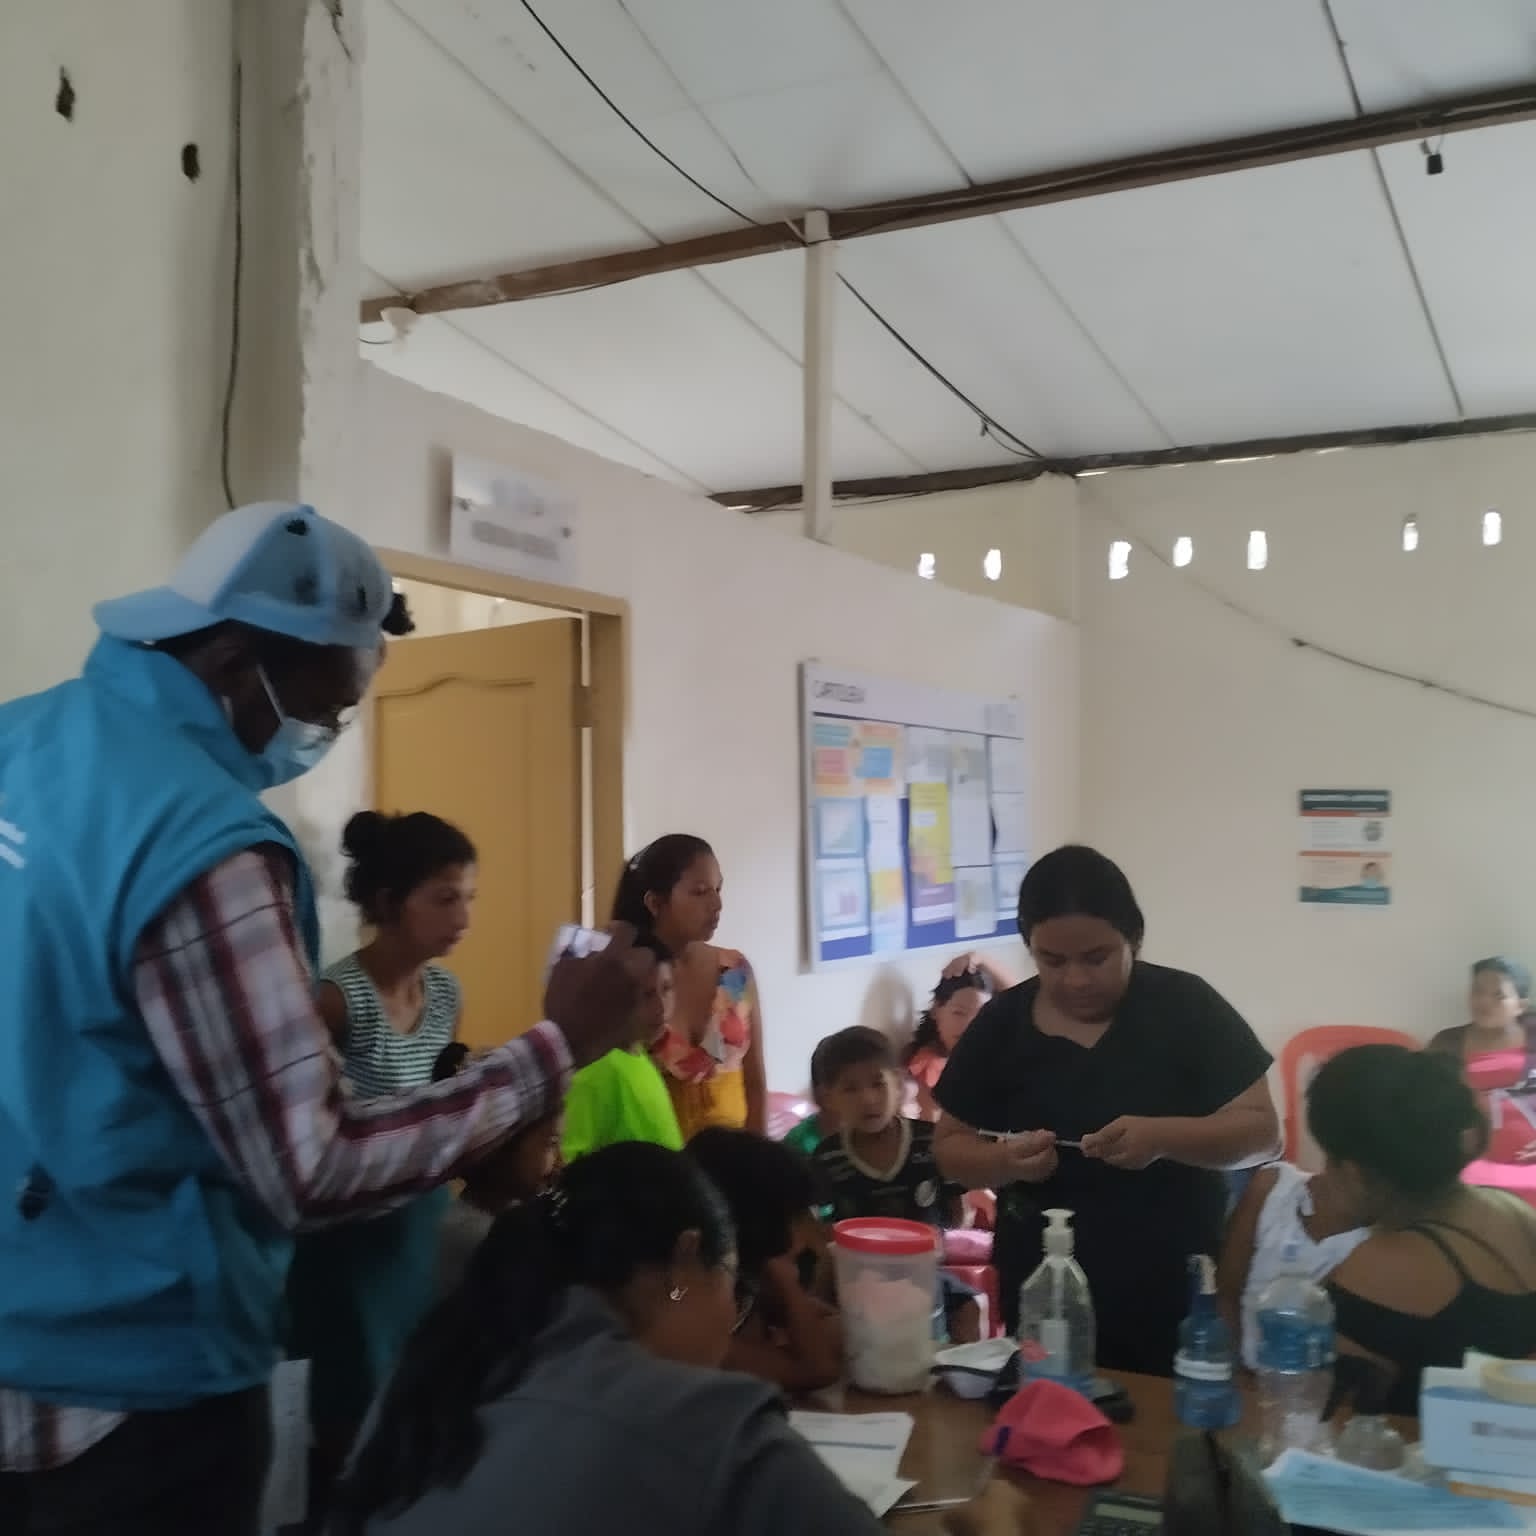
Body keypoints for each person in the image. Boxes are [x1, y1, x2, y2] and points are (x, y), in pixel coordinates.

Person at [0, 502, 650, 1535]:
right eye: (326, 705)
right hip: (134, 1383)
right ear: (230, 661)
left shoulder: (26, 739)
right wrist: (553, 1051)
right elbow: (313, 1166)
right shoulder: (204, 847)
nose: (326, 735)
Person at [330, 1143, 1031, 1536]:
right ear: (685, 1262)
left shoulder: (433, 1375)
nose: (732, 1314)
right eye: (731, 1285)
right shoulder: (701, 1420)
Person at [933, 845, 1280, 1374]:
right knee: (1051, 1403)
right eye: (1052, 961)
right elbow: (949, 1149)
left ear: (1132, 939)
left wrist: (1162, 1139)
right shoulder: (1003, 1023)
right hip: (1041, 1282)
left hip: (1171, 1280)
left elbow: (1263, 1133)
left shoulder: (1186, 1007)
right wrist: (1004, 1162)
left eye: (1096, 958)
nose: (1075, 979)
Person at [287, 810, 480, 1477]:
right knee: (350, 1406)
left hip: (420, 1223)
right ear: (391, 901)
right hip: (350, 1240)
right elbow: (307, 1130)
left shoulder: (446, 994)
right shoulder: (337, 1000)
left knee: (416, 1389)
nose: (463, 917)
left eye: (469, 898)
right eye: (445, 898)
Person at [1310, 1044, 1536, 1414]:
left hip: (1426, 1450)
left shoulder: (1384, 1265)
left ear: (1354, 1172)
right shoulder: (1513, 1210)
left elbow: (1322, 1418)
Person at [811, 1026, 982, 1344]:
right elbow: (821, 1234)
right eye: (850, 1089)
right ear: (827, 1098)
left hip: (922, 1274)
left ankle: (959, 1370)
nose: (868, 1099)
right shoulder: (828, 1158)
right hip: (859, 1282)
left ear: (900, 1084)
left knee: (967, 1307)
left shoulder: (931, 1142)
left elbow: (958, 1215)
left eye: (878, 1083)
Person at [614, 834, 768, 1138]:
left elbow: (755, 1085)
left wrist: (760, 1157)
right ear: (655, 903)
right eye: (700, 892)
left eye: (718, 889)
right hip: (658, 1156)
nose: (717, 904)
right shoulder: (631, 982)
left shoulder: (735, 971)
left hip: (736, 1157)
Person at [686, 1128, 842, 1392]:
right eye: (795, 1218)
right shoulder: (684, 1320)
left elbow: (827, 1327)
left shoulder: (740, 1282)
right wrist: (785, 1281)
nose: (804, 1240)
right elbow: (818, 1369)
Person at [1216, 1161, 1369, 1369]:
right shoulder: (1274, 1187)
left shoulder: (1378, 1244)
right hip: (1237, 1371)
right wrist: (1237, 1372)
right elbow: (1226, 1294)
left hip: (1306, 1382)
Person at [561, 939, 684, 1161]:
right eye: (646, 994)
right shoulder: (594, 1071)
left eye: (666, 989)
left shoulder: (639, 1054)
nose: (661, 1008)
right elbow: (570, 1165)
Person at [1429, 958, 1536, 1163]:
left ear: (1520, 1006)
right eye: (1477, 991)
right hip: (1468, 1162)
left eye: (1498, 995)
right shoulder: (1447, 1042)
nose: (1484, 1001)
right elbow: (1424, 1102)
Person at [905, 953, 1013, 1120]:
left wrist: (979, 958)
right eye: (959, 1013)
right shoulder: (929, 1067)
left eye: (980, 1015)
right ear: (936, 1010)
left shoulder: (987, 1048)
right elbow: (931, 1126)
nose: (968, 1026)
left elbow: (1024, 1003)